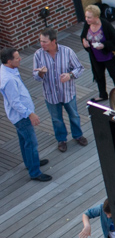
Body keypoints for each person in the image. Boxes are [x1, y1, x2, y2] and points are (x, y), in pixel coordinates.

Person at [32, 29, 87, 152]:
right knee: (56, 119)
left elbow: (79, 68)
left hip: (67, 92)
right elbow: (35, 76)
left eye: (45, 42)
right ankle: (61, 140)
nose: (42, 44)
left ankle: (78, 135)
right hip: (50, 95)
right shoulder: (38, 54)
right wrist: (40, 73)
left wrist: (70, 75)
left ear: (54, 41)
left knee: (74, 115)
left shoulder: (67, 52)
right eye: (41, 41)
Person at [0, 48, 51, 181]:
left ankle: (30, 163)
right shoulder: (9, 80)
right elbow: (15, 103)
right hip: (21, 117)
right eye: (17, 58)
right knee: (31, 143)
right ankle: (35, 172)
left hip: (18, 116)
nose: (20, 59)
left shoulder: (8, 69)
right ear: (9, 61)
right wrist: (30, 114)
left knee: (24, 141)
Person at [81, 4, 115, 103]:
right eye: (86, 17)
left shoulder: (105, 25)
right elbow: (83, 35)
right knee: (99, 75)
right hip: (95, 56)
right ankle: (103, 95)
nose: (87, 19)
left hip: (107, 56)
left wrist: (104, 45)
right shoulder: (87, 24)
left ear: (96, 17)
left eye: (89, 17)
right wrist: (84, 40)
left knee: (113, 74)